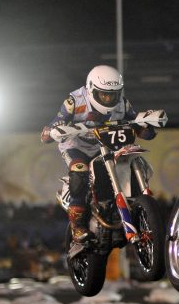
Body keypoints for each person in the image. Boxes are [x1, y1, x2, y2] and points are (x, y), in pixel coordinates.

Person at [41, 65, 156, 244]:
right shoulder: (74, 101)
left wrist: (146, 128)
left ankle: (133, 207)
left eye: (112, 94)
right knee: (79, 170)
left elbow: (136, 124)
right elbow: (56, 123)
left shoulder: (122, 103)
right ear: (91, 89)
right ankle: (78, 226)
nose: (109, 98)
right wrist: (52, 131)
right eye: (104, 95)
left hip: (106, 146)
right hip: (76, 146)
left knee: (130, 159)